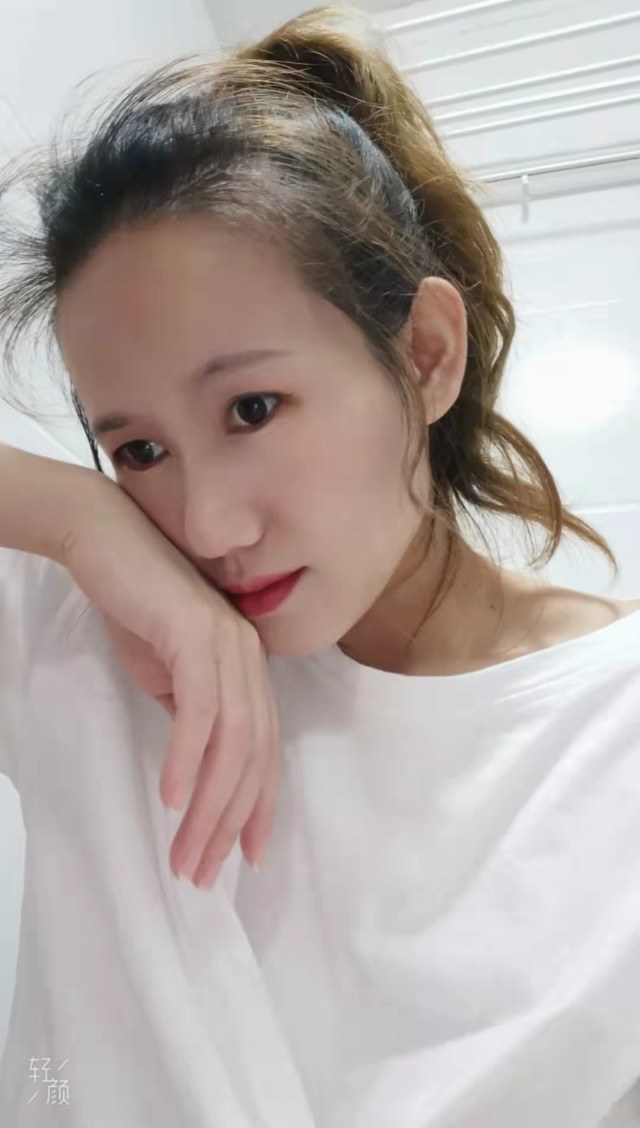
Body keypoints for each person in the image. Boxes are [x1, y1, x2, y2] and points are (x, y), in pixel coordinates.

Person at [1, 5, 639, 1126]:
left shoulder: (608, 734)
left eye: (252, 408)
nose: (206, 525)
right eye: (137, 450)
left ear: (426, 355)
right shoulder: (89, 638)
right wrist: (79, 521)